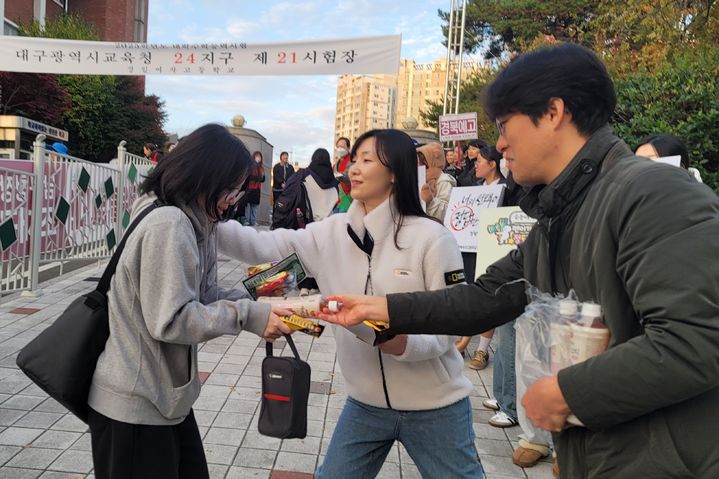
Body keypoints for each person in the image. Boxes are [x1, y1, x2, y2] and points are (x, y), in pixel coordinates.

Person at [318, 43, 719, 478]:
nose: (501, 143)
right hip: (604, 453)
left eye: (506, 125)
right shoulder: (560, 215)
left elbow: (695, 340)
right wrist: (383, 309)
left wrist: (568, 392)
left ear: (553, 113)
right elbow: (486, 297)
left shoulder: (654, 193)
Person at [219, 129, 484, 478]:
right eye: (353, 159)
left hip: (435, 406)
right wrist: (198, 216)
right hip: (366, 404)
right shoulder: (330, 232)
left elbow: (450, 327)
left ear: (394, 172)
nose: (353, 168)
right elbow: (261, 246)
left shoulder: (432, 238)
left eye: (367, 159)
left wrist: (398, 343)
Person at [87, 124, 292, 479]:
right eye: (231, 188)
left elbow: (205, 296)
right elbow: (172, 319)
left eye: (239, 189)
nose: (235, 198)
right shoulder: (169, 224)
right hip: (136, 404)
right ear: (205, 177)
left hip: (164, 398)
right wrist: (251, 316)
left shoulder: (196, 219)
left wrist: (259, 299)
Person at [635, 133, 703, 183]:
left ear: (679, 166)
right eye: (637, 160)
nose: (641, 166)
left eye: (650, 160)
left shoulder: (698, 199)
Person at [418, 141, 456, 222]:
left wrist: (431, 200)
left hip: (438, 227)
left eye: (421, 161)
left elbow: (448, 211)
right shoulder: (419, 177)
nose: (418, 164)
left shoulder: (444, 180)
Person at [300, 148, 339, 221]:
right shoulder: (334, 180)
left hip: (310, 221)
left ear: (313, 158)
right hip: (329, 221)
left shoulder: (305, 175)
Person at [244, 151, 266, 226]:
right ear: (253, 157)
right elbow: (249, 176)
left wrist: (259, 178)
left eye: (259, 156)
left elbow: (263, 179)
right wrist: (257, 178)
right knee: (247, 205)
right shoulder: (250, 166)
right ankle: (246, 220)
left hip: (257, 188)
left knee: (254, 206)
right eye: (257, 156)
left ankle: (253, 221)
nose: (258, 158)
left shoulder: (261, 168)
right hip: (249, 188)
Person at [334, 137, 353, 212]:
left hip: (349, 199)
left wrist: (337, 175)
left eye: (342, 147)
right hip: (338, 200)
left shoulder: (353, 160)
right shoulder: (336, 164)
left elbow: (349, 176)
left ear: (348, 147)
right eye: (338, 147)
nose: (339, 149)